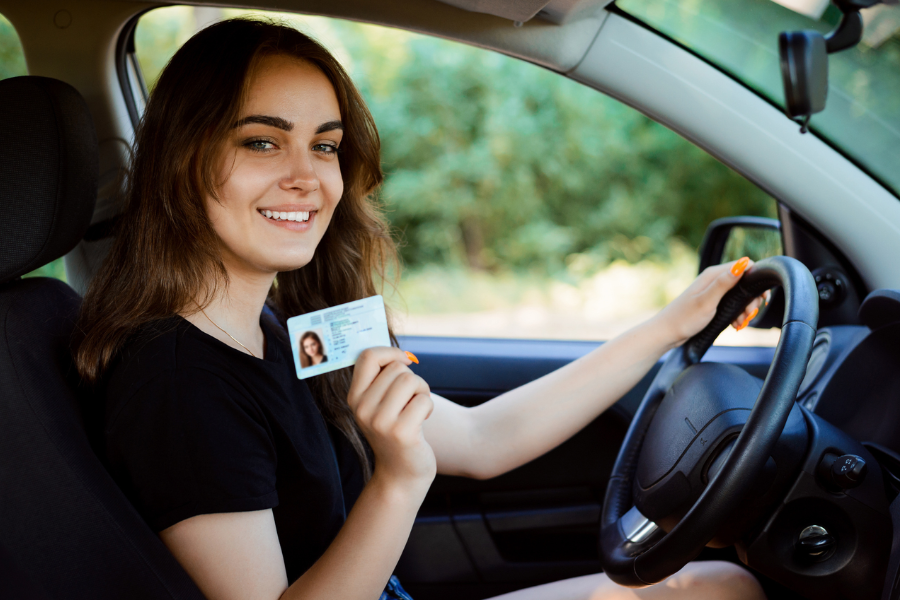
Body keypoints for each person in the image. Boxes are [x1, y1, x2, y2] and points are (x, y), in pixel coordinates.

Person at [74, 18, 767, 600]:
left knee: (716, 586)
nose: (307, 176)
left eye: (325, 145)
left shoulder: (280, 330)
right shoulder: (177, 385)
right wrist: (401, 480)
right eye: (261, 140)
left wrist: (671, 324)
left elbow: (485, 440)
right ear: (180, 161)